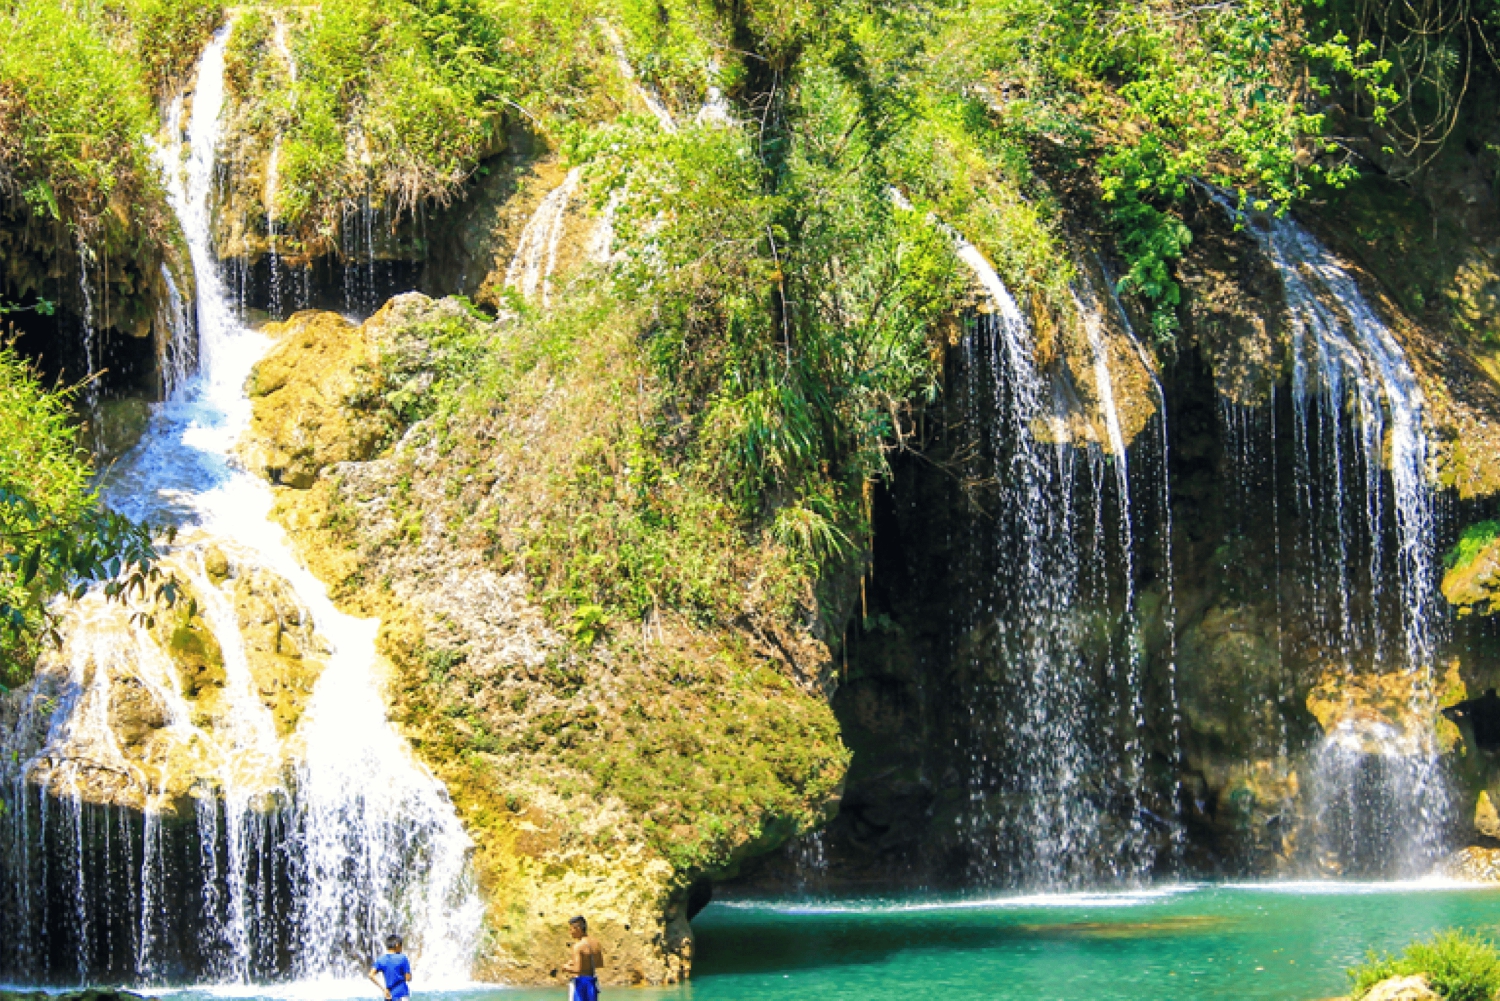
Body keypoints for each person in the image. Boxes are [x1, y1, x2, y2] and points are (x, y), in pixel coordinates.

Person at [562, 916, 604, 1001]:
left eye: (571, 929)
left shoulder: (578, 946)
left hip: (580, 983)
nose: (570, 932)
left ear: (578, 929)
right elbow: (599, 964)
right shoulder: (596, 943)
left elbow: (577, 969)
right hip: (592, 981)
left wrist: (566, 967)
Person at [369, 934, 413, 1001]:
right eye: (401, 946)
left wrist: (383, 989)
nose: (401, 949)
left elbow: (371, 975)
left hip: (388, 996)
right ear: (397, 945)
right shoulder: (402, 958)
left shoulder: (381, 959)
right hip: (401, 995)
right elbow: (408, 978)